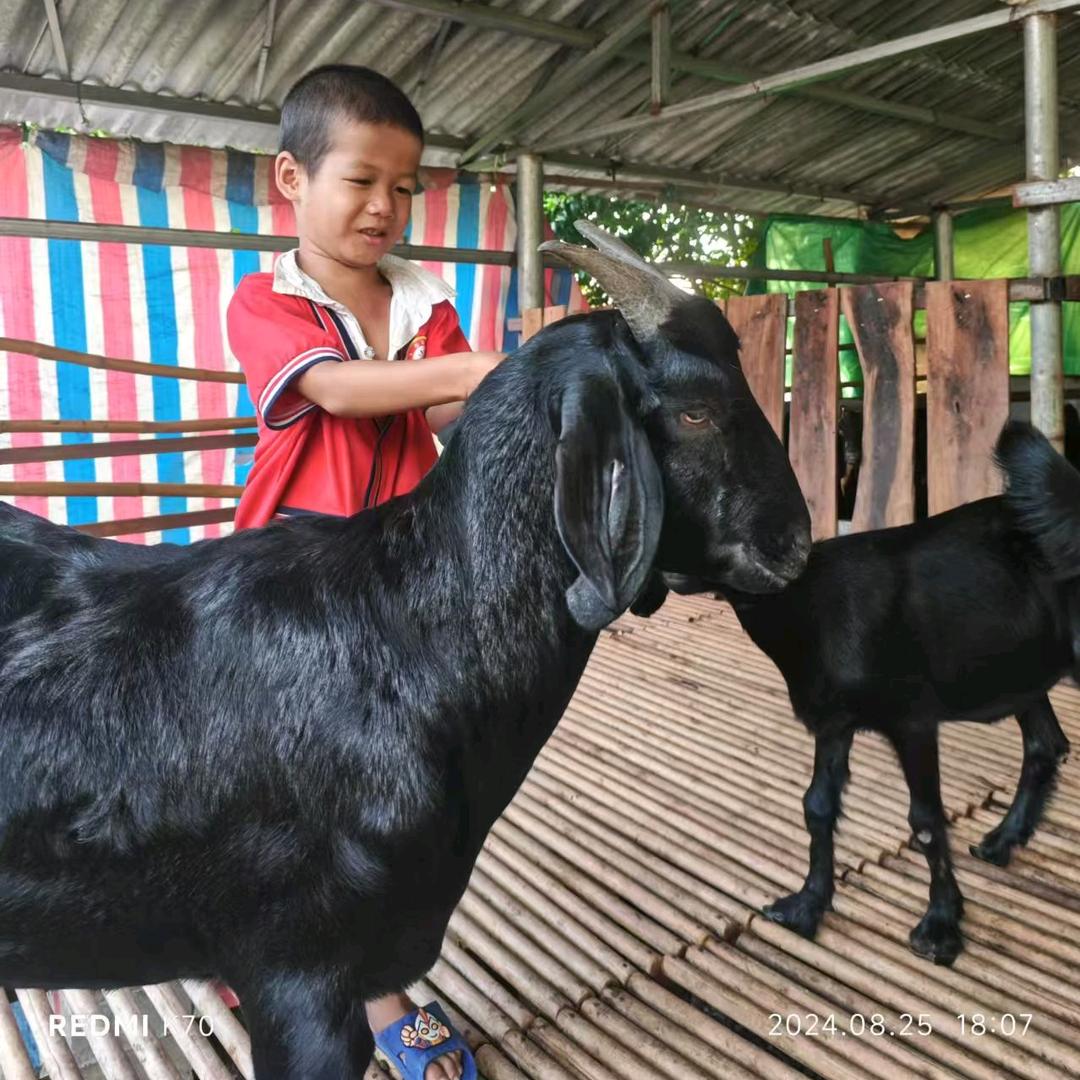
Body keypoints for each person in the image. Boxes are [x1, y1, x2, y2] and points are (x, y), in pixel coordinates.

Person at [227, 64, 502, 1080]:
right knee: (296, 790)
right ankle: (272, 955)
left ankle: (372, 972)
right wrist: (479, 372)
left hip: (406, 580)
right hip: (296, 582)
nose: (386, 205)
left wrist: (522, 387)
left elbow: (437, 414)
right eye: (361, 180)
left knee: (395, 790)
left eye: (406, 185)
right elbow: (339, 391)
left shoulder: (426, 300)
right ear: (291, 178)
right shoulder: (266, 301)